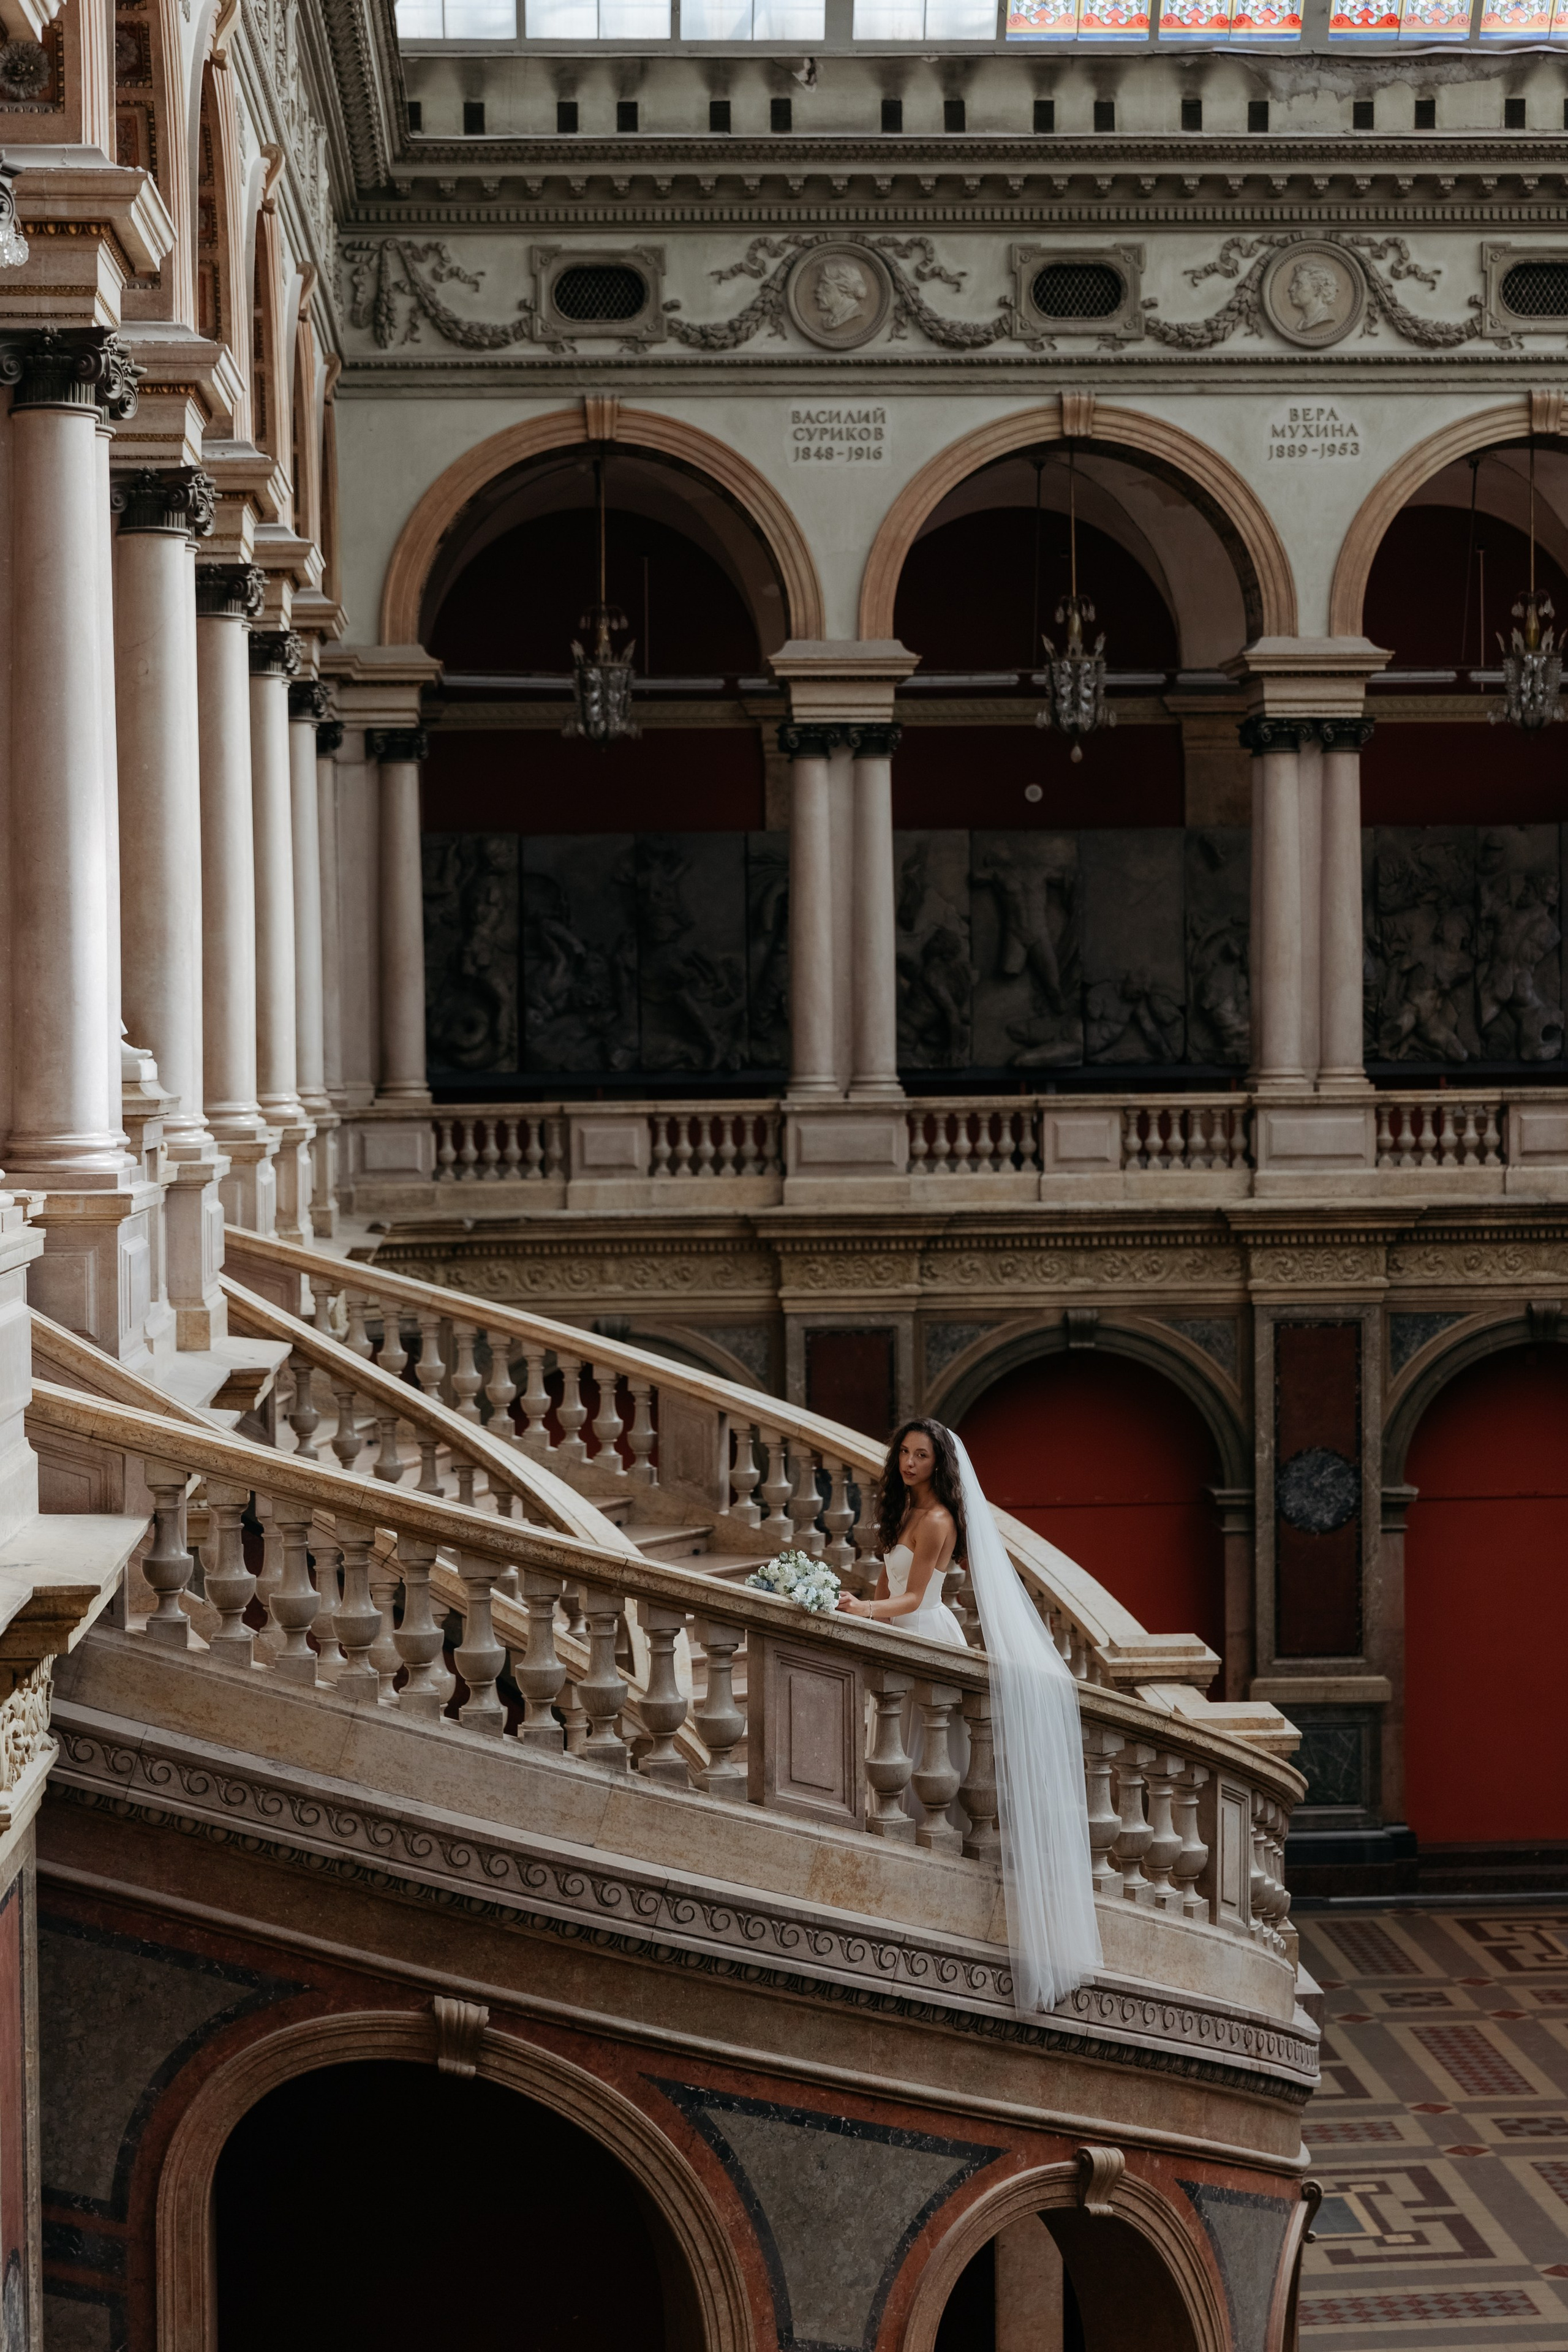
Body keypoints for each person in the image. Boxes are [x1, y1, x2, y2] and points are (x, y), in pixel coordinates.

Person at [839, 1417, 1102, 2013]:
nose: (909, 1463)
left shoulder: (937, 1520)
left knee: (931, 1748)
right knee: (896, 1743)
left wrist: (864, 1611)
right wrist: (866, 1614)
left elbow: (914, 1597)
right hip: (897, 1630)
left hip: (926, 1631)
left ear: (939, 1463)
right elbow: (886, 1583)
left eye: (921, 1455)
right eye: (904, 1453)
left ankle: (937, 1865)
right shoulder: (904, 1511)